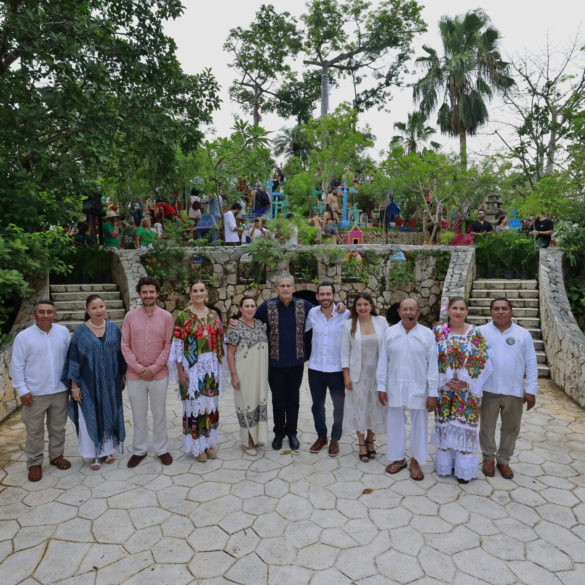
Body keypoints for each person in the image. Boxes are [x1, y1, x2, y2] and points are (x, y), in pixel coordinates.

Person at [377, 298, 439, 480]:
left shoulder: (428, 335)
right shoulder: (390, 333)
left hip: (420, 387)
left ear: (418, 312)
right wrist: (381, 386)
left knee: (419, 425)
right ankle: (398, 459)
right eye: (404, 309)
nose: (408, 313)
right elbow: (383, 362)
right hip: (394, 386)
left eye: (412, 309)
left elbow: (433, 366)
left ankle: (417, 461)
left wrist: (433, 393)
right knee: (395, 423)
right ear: (399, 312)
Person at [432, 298, 493, 484]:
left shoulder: (475, 333)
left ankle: (463, 469)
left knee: (464, 428)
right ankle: (446, 464)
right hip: (445, 390)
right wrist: (442, 380)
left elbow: (484, 360)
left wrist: (468, 383)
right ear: (448, 310)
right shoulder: (439, 332)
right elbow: (431, 357)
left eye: (461, 309)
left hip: (467, 393)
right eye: (454, 308)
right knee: (446, 425)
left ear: (467, 311)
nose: (458, 312)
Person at [62, 295, 127, 470]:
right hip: (88, 385)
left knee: (109, 414)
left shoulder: (114, 329)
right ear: (87, 310)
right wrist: (74, 387)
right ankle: (94, 455)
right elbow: (74, 361)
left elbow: (120, 356)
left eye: (102, 306)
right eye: (94, 308)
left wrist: (122, 376)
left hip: (110, 383)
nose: (99, 311)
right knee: (90, 416)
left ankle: (107, 450)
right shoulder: (80, 333)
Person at [10, 300, 71, 482]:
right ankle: (35, 463)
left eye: (49, 312)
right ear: (34, 314)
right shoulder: (24, 337)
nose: (46, 315)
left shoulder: (63, 332)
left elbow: (70, 359)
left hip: (60, 391)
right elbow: (17, 365)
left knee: (58, 428)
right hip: (34, 394)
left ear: (55, 314)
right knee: (34, 431)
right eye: (42, 312)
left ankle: (56, 456)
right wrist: (22, 390)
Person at [252, 274, 314, 451]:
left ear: (294, 288)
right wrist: (235, 321)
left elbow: (323, 310)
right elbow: (252, 320)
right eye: (282, 286)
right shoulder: (268, 306)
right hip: (274, 363)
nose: (286, 289)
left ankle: (292, 433)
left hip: (296, 362)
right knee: (278, 399)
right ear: (276, 288)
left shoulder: (303, 305)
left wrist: (339, 305)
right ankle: (279, 433)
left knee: (293, 398)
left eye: (288, 285)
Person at [479, 298, 538, 479]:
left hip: (513, 390)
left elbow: (531, 362)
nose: (500, 312)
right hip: (488, 389)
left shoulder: (523, 334)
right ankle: (488, 458)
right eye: (496, 309)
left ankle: (504, 460)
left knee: (511, 427)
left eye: (504, 308)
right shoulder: (480, 332)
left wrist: (531, 390)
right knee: (486, 426)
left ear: (511, 311)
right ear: (491, 312)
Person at [169, 280, 224, 462]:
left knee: (209, 406)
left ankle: (208, 443)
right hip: (192, 369)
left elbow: (220, 340)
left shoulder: (214, 315)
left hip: (211, 369)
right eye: (195, 291)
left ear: (206, 292)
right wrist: (180, 371)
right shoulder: (183, 317)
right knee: (194, 408)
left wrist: (220, 369)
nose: (199, 293)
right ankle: (197, 446)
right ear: (190, 293)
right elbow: (177, 346)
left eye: (202, 290)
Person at [121, 277, 174, 468]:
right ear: (139, 294)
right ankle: (139, 450)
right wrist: (138, 367)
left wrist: (153, 368)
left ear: (157, 293)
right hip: (135, 375)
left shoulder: (166, 317)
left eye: (152, 292)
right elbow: (124, 345)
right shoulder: (130, 316)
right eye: (145, 292)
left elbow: (168, 345)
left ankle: (162, 449)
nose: (148, 295)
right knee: (138, 414)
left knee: (159, 413)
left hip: (159, 374)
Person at [341, 292, 388, 462]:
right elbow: (344, 353)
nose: (362, 308)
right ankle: (361, 443)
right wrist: (346, 376)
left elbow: (389, 347)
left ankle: (370, 440)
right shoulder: (348, 325)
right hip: (357, 375)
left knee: (375, 407)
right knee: (359, 408)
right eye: (359, 305)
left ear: (371, 306)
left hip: (378, 374)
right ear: (355, 307)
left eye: (365, 304)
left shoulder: (381, 322)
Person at [305, 282, 350, 457]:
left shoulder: (345, 314)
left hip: (337, 369)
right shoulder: (312, 313)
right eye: (322, 294)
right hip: (315, 368)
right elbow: (300, 328)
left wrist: (342, 303)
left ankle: (335, 439)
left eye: (328, 294)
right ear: (317, 297)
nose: (325, 297)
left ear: (334, 295)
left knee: (339, 406)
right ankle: (321, 436)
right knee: (317, 405)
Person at [225, 296, 269, 456]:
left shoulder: (260, 325)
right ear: (241, 308)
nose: (250, 309)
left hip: (260, 374)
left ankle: (257, 437)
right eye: (246, 306)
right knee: (246, 405)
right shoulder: (235, 327)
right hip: (244, 374)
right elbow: (230, 353)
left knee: (258, 402)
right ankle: (247, 441)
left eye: (252, 306)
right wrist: (233, 375)